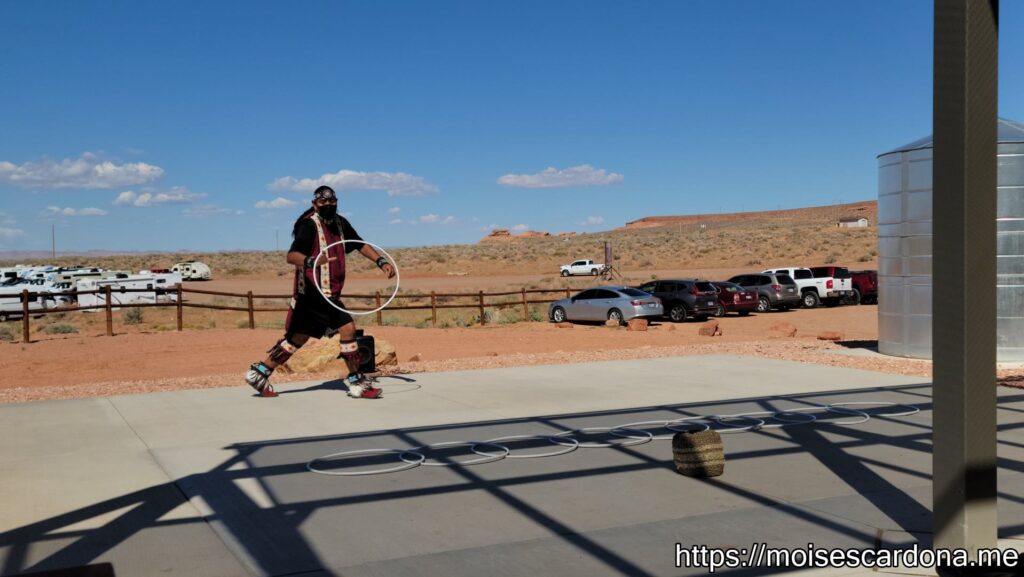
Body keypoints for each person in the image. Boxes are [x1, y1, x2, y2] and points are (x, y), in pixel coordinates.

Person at [244, 185, 396, 398]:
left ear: (336, 202)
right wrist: (312, 260)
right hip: (313, 292)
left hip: (327, 293)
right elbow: (292, 255)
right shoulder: (308, 226)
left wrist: (380, 261)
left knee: (297, 338)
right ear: (315, 204)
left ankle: (260, 373)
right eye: (323, 202)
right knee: (347, 328)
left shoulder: (341, 224)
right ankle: (356, 381)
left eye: (331, 201)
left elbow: (359, 244)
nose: (328, 205)